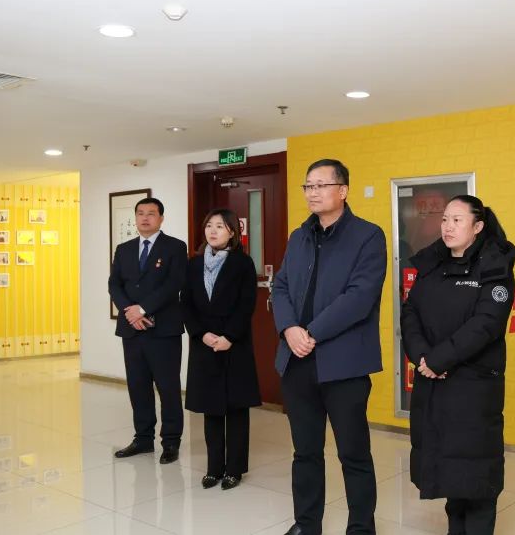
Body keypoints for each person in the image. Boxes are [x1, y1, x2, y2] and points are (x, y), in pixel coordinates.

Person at [273, 159, 386, 535]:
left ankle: (361, 528)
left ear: (343, 190)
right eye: (308, 186)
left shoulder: (368, 236)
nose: (313, 192)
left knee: (353, 453)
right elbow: (281, 286)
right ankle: (306, 524)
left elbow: (360, 297)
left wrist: (311, 332)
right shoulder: (299, 236)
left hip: (343, 364)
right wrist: (289, 329)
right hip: (297, 361)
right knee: (305, 452)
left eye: (321, 185)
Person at [401, 195, 515, 535]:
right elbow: (410, 312)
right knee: (449, 470)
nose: (447, 227)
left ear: (478, 226)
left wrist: (440, 359)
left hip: (473, 386)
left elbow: (486, 323)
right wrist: (422, 357)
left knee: (476, 474)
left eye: (457, 220)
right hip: (434, 382)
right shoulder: (433, 264)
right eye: (444, 220)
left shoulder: (495, 266)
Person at [182, 208, 261, 490]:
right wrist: (201, 334)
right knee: (211, 408)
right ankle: (214, 468)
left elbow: (246, 304)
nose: (212, 231)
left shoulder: (243, 263)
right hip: (204, 345)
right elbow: (186, 304)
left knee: (236, 408)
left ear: (232, 232)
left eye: (219, 226)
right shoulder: (193, 264)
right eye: (209, 226)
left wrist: (229, 336)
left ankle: (234, 469)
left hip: (234, 344)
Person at [109, 197, 188, 464]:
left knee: (168, 387)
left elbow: (174, 283)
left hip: (163, 330)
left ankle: (171, 442)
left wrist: (142, 309)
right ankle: (143, 438)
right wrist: (129, 312)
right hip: (132, 330)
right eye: (140, 213)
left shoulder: (175, 247)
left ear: (161, 218)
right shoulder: (124, 249)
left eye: (151, 213)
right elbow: (114, 284)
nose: (145, 218)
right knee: (138, 386)